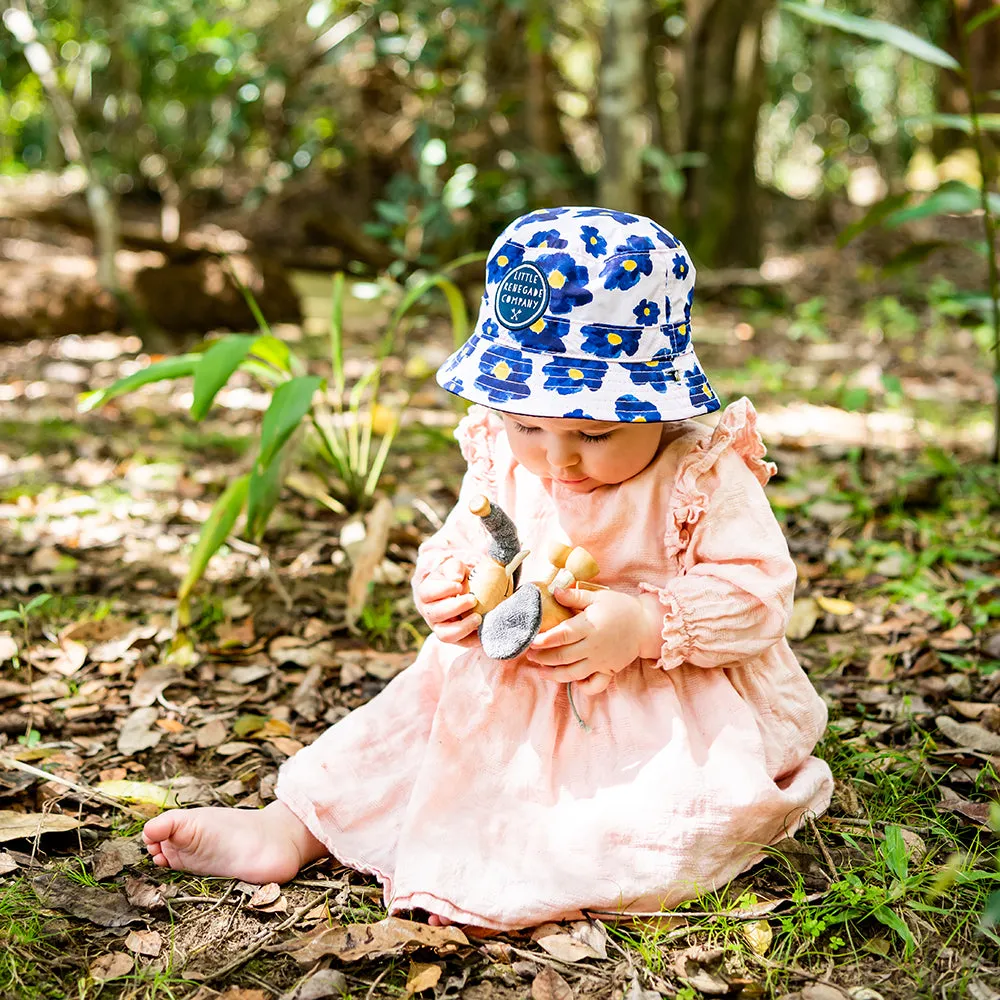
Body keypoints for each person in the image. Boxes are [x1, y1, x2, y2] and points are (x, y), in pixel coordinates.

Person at [143, 207, 834, 930]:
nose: (556, 458)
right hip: (505, 679)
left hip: (657, 699)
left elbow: (757, 595)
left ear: (659, 404)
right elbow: (469, 538)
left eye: (594, 432)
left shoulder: (698, 473)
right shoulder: (507, 460)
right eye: (527, 424)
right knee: (400, 739)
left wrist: (642, 624)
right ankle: (289, 829)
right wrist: (450, 585)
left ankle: (514, 867)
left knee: (632, 808)